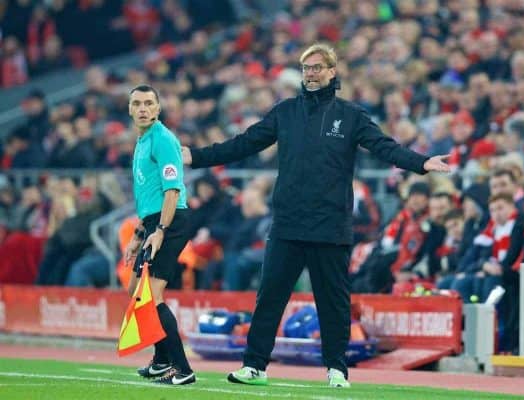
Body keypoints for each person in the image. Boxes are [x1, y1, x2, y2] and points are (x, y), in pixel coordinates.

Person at [182, 43, 450, 388]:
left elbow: (384, 146)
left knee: (333, 302)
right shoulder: (285, 112)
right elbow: (242, 144)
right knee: (270, 296)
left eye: (317, 67)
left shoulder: (351, 115)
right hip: (288, 223)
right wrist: (196, 156)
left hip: (331, 225)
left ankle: (337, 369)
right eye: (306, 68)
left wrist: (421, 164)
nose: (310, 73)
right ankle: (255, 366)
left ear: (332, 71)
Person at [123, 84, 195, 385]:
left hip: (172, 220)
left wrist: (160, 231)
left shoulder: (164, 140)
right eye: (137, 103)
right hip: (155, 221)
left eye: (148, 103)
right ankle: (161, 360)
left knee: (152, 296)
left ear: (157, 108)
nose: (142, 108)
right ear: (130, 109)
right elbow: (149, 195)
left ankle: (183, 369)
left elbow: (171, 191)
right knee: (136, 292)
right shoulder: (143, 141)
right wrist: (140, 233)